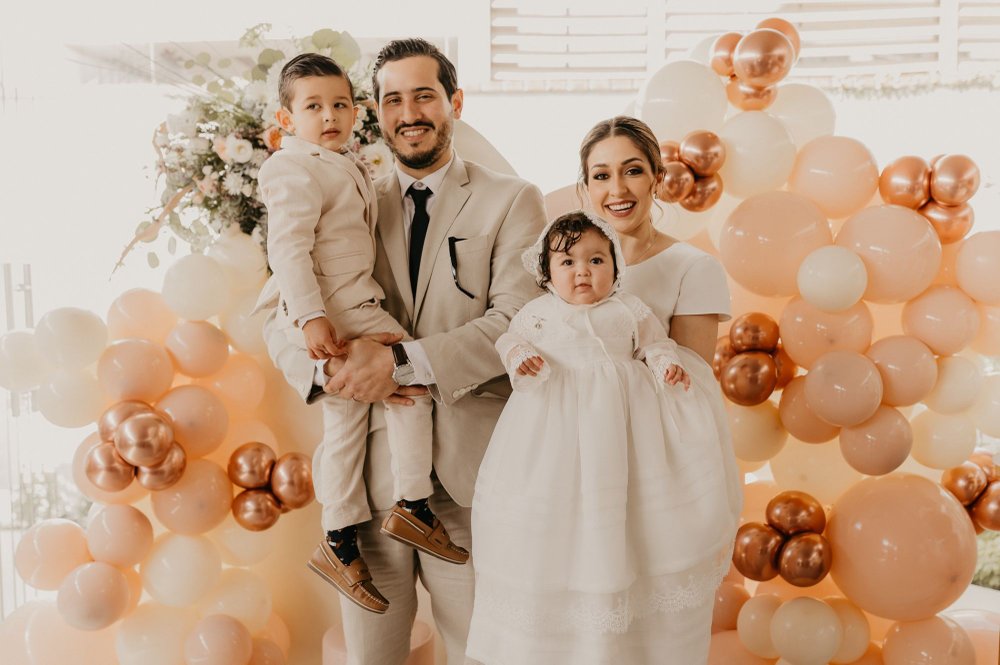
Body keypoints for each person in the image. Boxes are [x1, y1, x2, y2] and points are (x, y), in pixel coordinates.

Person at [261, 39, 547, 663]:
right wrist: (330, 372)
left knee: (484, 654)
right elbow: (274, 309)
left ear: (455, 102)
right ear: (377, 111)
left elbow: (516, 323)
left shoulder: (512, 199)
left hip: (469, 487)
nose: (409, 113)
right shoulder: (346, 189)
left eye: (424, 95)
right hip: (365, 488)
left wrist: (398, 363)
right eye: (393, 99)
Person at [465, 211, 739, 664]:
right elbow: (508, 341)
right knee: (560, 525)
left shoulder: (628, 309)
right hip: (555, 437)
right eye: (567, 262)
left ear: (615, 266)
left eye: (596, 260)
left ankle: (632, 632)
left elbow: (655, 343)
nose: (583, 272)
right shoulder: (538, 314)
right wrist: (520, 358)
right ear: (547, 273)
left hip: (624, 437)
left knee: (630, 521)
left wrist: (664, 363)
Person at [257, 52, 473, 617]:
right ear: (286, 120)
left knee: (344, 426)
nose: (329, 116)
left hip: (349, 313)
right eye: (313, 107)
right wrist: (312, 326)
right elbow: (287, 253)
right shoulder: (292, 168)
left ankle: (338, 538)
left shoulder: (347, 167)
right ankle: (412, 504)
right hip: (342, 311)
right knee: (409, 378)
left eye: (339, 104)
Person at [588, 115, 743, 661]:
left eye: (632, 171)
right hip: (587, 471)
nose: (617, 189)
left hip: (658, 477)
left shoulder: (692, 267)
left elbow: (690, 388)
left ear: (657, 177)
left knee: (658, 635)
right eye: (601, 175)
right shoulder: (567, 269)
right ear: (586, 187)